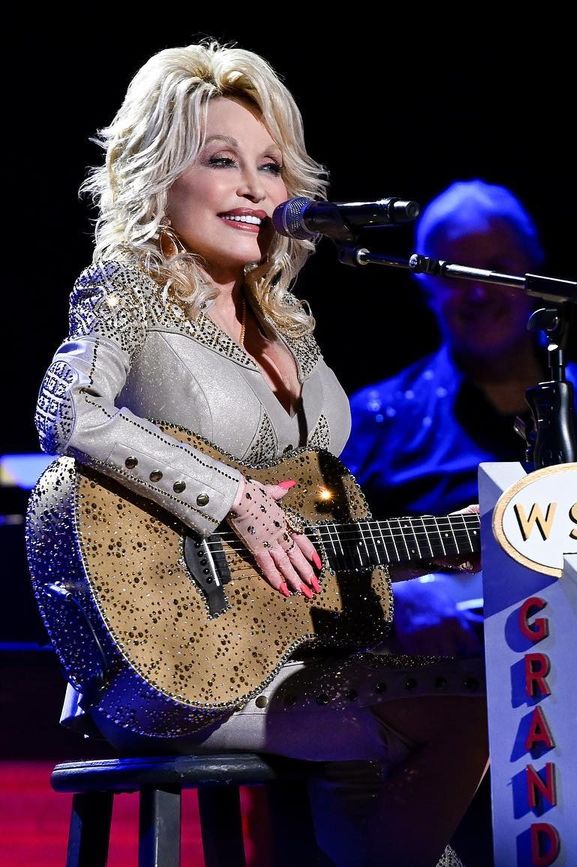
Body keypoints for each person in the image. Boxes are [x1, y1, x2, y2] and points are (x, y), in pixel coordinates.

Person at [30, 41, 486, 867]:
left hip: (305, 654)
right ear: (157, 175)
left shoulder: (291, 326)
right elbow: (69, 413)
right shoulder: (126, 290)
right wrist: (229, 496)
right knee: (469, 708)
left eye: (270, 166)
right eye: (221, 159)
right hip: (168, 664)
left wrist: (461, 541)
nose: (254, 188)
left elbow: (310, 529)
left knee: (465, 721)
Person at [340, 179, 577, 865]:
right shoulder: (377, 422)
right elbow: (316, 573)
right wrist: (395, 599)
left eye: (496, 266)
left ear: (535, 273)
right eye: (451, 268)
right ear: (423, 284)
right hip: (436, 744)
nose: (477, 290)